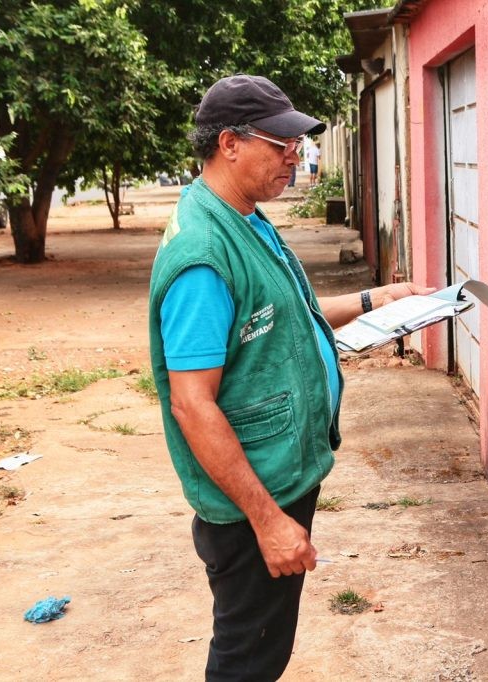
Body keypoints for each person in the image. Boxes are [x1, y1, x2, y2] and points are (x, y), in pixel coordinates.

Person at [147, 74, 433, 681]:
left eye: (295, 144)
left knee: (263, 648)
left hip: (280, 470)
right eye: (279, 144)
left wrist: (372, 299)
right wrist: (269, 521)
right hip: (255, 494)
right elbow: (192, 405)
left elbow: (284, 317)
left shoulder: (242, 218)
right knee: (247, 659)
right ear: (229, 143)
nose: (293, 156)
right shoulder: (202, 256)